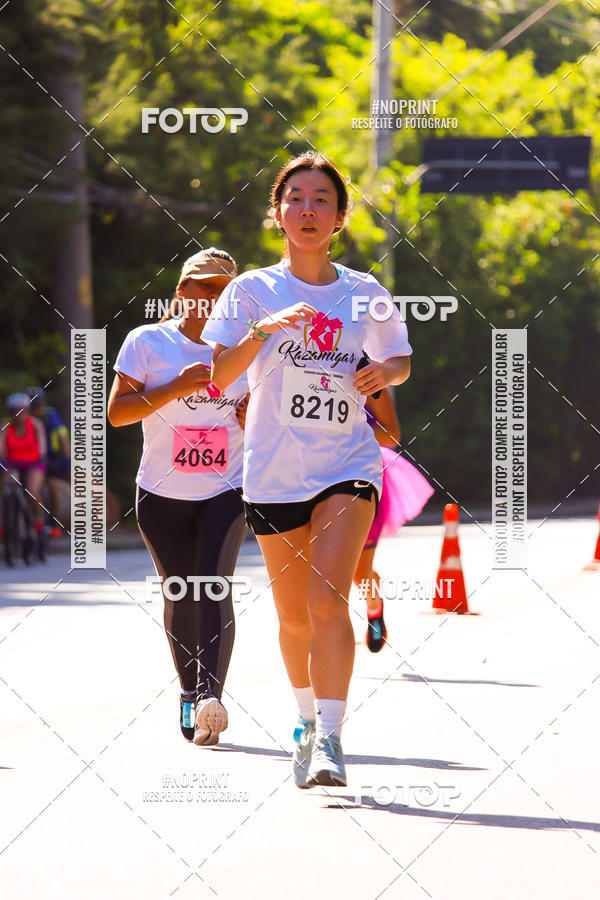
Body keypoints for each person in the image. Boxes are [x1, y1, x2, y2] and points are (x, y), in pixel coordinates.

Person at [203, 152, 412, 788]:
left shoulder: (365, 292)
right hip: (272, 470)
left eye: (322, 198)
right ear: (278, 214)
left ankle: (331, 737)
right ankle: (303, 719)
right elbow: (218, 375)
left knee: (329, 600)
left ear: (341, 216)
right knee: (292, 616)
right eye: (296, 197)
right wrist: (262, 330)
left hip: (347, 463)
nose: (309, 209)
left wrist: (383, 374)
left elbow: (399, 360)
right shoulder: (250, 292)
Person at [107, 247, 249, 746]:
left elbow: (261, 420)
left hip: (226, 489)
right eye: (202, 287)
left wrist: (250, 414)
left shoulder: (245, 352)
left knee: (212, 584)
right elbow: (119, 413)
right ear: (181, 291)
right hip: (161, 491)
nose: (211, 297)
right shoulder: (147, 342)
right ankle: (188, 691)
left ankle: (211, 697)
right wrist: (173, 387)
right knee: (179, 590)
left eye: (222, 289)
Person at [353, 390, 434, 652]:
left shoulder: (367, 373)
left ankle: (374, 609)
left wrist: (347, 430)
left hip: (363, 479)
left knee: (359, 574)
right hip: (310, 480)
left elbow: (391, 434)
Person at [0, 392, 47, 535]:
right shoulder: (6, 426)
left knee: (32, 491)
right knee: (6, 489)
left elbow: (42, 446)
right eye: (14, 410)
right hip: (12, 463)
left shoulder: (36, 425)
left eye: (22, 410)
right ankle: (3, 523)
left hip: (33, 464)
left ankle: (38, 518)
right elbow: (1, 447)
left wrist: (41, 456)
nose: (18, 414)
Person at [25, 387, 70, 481]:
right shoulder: (24, 417)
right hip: (32, 458)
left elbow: (62, 433)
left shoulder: (50, 414)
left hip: (53, 456)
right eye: (33, 406)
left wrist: (67, 453)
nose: (35, 409)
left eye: (37, 405)